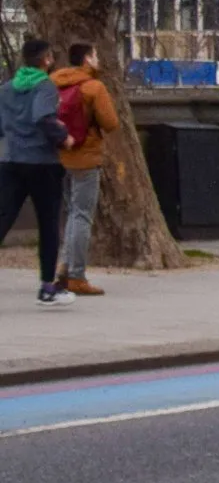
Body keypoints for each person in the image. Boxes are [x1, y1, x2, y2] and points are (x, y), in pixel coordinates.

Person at [0, 37, 70, 304]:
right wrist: (63, 137)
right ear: (46, 60)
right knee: (48, 225)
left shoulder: (7, 88)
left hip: (11, 160)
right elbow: (42, 117)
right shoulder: (45, 86)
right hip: (42, 163)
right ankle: (47, 287)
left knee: (4, 217)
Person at [50, 42, 118, 296]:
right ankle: (76, 276)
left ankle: (65, 267)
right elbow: (110, 122)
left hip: (58, 156)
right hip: (85, 158)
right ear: (87, 59)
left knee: (70, 213)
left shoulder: (53, 83)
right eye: (95, 55)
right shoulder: (93, 87)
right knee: (82, 215)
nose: (98, 59)